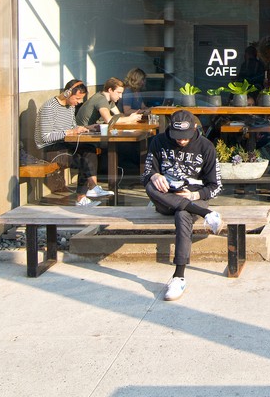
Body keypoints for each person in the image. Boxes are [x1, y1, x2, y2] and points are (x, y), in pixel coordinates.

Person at [143, 110, 225, 301]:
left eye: (185, 136)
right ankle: (206, 214)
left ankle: (178, 276)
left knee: (183, 214)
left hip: (194, 196)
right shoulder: (158, 142)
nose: (181, 140)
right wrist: (154, 175)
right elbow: (146, 174)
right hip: (166, 198)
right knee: (150, 186)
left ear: (195, 128)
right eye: (177, 136)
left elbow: (216, 185)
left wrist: (196, 195)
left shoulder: (205, 146)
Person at [34, 79, 114, 205]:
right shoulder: (49, 108)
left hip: (65, 143)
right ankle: (82, 197)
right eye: (77, 98)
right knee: (83, 160)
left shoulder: (70, 106)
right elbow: (45, 137)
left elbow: (72, 126)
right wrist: (69, 132)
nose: (79, 102)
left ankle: (91, 189)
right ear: (67, 94)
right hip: (49, 148)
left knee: (89, 149)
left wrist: (87, 128)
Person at [76, 76, 142, 128]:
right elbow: (108, 120)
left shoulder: (109, 100)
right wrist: (129, 119)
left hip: (91, 130)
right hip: (83, 133)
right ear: (110, 90)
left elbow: (118, 115)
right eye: (118, 92)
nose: (120, 96)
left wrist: (130, 117)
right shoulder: (101, 99)